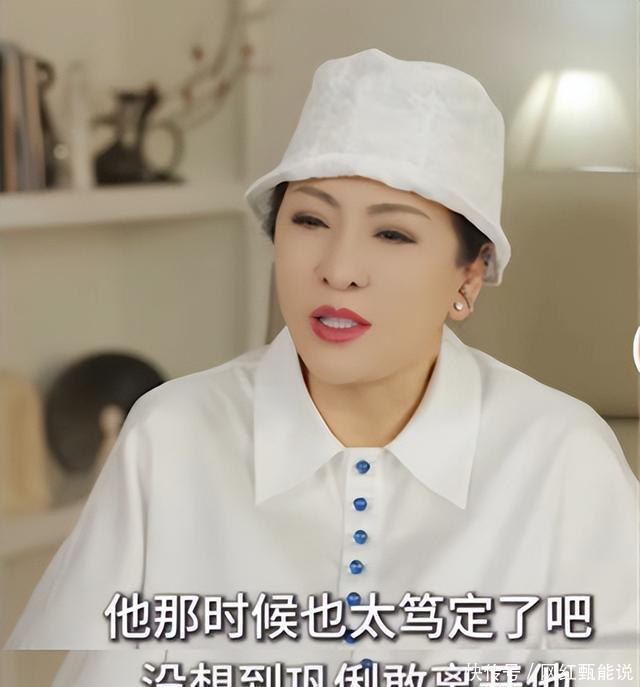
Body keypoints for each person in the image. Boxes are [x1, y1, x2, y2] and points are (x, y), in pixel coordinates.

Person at [5, 48, 638, 681]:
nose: (338, 269)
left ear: (470, 275)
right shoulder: (172, 435)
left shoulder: (562, 455)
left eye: (392, 233)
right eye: (310, 219)